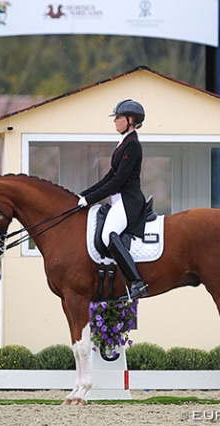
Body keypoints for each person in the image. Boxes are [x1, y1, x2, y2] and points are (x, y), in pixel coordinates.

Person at [77, 99, 148, 301]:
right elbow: (109, 176)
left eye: (118, 117)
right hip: (119, 199)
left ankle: (137, 282)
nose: (115, 121)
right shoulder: (124, 141)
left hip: (128, 200)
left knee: (109, 234)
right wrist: (84, 196)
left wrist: (90, 198)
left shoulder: (132, 144)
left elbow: (118, 181)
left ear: (130, 120)